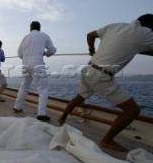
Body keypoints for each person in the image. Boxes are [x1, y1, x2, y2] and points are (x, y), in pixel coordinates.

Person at [58, 14, 153, 152]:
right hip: (100, 75)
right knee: (133, 110)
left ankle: (62, 118)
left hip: (88, 69)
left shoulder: (117, 25)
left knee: (81, 96)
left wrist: (91, 50)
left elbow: (90, 35)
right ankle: (107, 140)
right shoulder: (146, 33)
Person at [13, 21, 57, 121]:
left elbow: (19, 54)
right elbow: (53, 50)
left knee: (24, 86)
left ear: (30, 28)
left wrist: (27, 56)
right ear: (39, 28)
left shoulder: (25, 37)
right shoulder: (44, 35)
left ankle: (17, 107)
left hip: (25, 64)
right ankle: (41, 114)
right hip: (37, 63)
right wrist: (45, 53)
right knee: (43, 89)